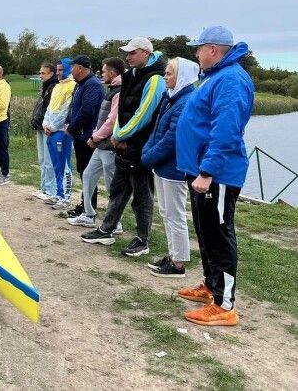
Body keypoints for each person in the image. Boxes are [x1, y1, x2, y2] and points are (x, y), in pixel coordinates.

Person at [175, 26, 254, 327]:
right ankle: (210, 286)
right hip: (201, 170)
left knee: (219, 234)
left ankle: (224, 305)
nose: (196, 54)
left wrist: (207, 171)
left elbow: (226, 130)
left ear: (213, 49)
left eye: (199, 48)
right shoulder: (216, 77)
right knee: (206, 230)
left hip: (217, 174)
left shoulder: (231, 80)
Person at [81, 37, 166, 257]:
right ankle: (107, 229)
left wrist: (121, 134)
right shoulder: (129, 76)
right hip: (122, 144)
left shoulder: (156, 78)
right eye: (127, 53)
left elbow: (145, 113)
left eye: (132, 52)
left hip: (141, 145)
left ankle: (142, 239)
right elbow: (120, 112)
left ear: (146, 53)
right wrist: (118, 135)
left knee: (142, 195)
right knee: (118, 190)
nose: (127, 57)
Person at [141, 57, 199, 278]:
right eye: (165, 73)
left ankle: (179, 264)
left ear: (182, 76)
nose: (165, 77)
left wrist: (148, 158)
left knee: (175, 215)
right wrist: (148, 152)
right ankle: (173, 254)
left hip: (175, 168)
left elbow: (171, 138)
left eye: (169, 74)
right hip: (161, 166)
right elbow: (157, 131)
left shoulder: (185, 102)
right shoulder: (170, 98)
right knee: (166, 213)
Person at [67, 57, 125, 229]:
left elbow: (111, 120)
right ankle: (89, 214)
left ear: (113, 73)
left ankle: (116, 223)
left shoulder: (118, 91)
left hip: (107, 145)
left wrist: (95, 136)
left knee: (111, 185)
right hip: (100, 143)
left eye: (104, 70)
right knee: (88, 175)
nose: (102, 73)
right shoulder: (112, 88)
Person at [64, 56, 105, 217]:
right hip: (80, 136)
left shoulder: (92, 85)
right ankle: (85, 204)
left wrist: (72, 128)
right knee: (84, 172)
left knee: (88, 173)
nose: (71, 70)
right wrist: (68, 122)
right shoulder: (80, 84)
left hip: (87, 136)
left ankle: (89, 208)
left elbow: (87, 111)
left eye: (72, 67)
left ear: (80, 68)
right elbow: (74, 107)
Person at [42, 58, 76, 207]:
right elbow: (50, 108)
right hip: (50, 131)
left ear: (69, 69)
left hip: (62, 131)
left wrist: (54, 127)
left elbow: (65, 111)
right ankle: (58, 193)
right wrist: (45, 124)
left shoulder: (72, 86)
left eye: (61, 70)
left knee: (64, 164)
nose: (58, 73)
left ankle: (66, 197)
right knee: (56, 164)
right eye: (57, 70)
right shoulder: (57, 86)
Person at [31, 63, 59, 201]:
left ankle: (50, 190)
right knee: (42, 159)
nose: (40, 75)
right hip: (40, 126)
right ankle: (43, 187)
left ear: (51, 74)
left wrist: (47, 123)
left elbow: (50, 109)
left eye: (43, 73)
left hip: (48, 128)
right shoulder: (45, 87)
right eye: (40, 73)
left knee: (49, 160)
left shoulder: (53, 87)